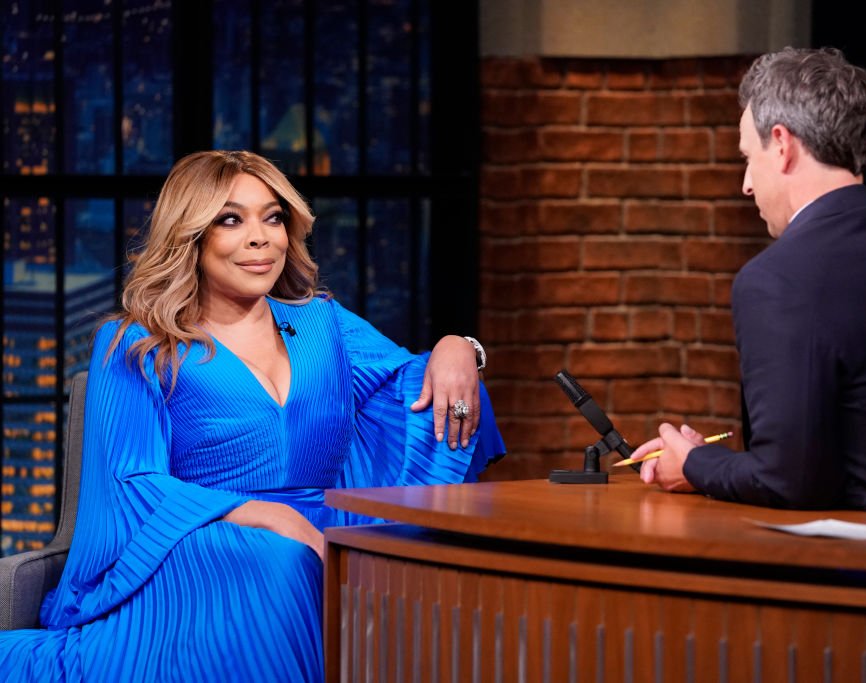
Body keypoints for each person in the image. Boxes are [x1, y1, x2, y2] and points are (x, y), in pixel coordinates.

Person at [0, 150, 505, 681]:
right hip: (204, 538)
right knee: (279, 559)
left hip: (323, 523)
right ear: (191, 236)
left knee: (421, 559)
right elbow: (135, 482)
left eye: (273, 217)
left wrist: (459, 346)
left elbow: (412, 388)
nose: (261, 238)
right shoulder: (139, 344)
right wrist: (262, 513)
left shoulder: (321, 321)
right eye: (231, 219)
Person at [630, 47, 866, 509]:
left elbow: (788, 479)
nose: (746, 184)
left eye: (748, 157)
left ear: (781, 145)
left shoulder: (775, 279)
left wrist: (695, 464)